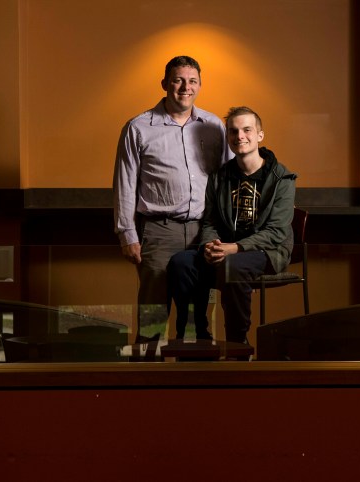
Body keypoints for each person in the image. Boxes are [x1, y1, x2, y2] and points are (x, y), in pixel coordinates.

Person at [113, 55, 230, 342]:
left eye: (192, 81)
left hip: (206, 232)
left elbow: (228, 180)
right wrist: (127, 234)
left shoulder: (214, 126)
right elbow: (124, 184)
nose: (185, 87)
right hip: (159, 231)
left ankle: (192, 381)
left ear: (200, 85)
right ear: (165, 83)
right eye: (178, 80)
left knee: (197, 319)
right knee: (153, 318)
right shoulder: (138, 128)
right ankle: (144, 380)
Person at [167, 106, 297, 343]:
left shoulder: (282, 178)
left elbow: (276, 232)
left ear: (260, 135)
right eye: (233, 131)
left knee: (232, 266)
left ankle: (238, 342)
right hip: (225, 249)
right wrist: (209, 245)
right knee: (181, 262)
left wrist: (234, 248)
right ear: (228, 137)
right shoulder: (220, 177)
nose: (240, 137)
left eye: (247, 130)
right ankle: (196, 336)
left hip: (267, 251)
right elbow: (211, 221)